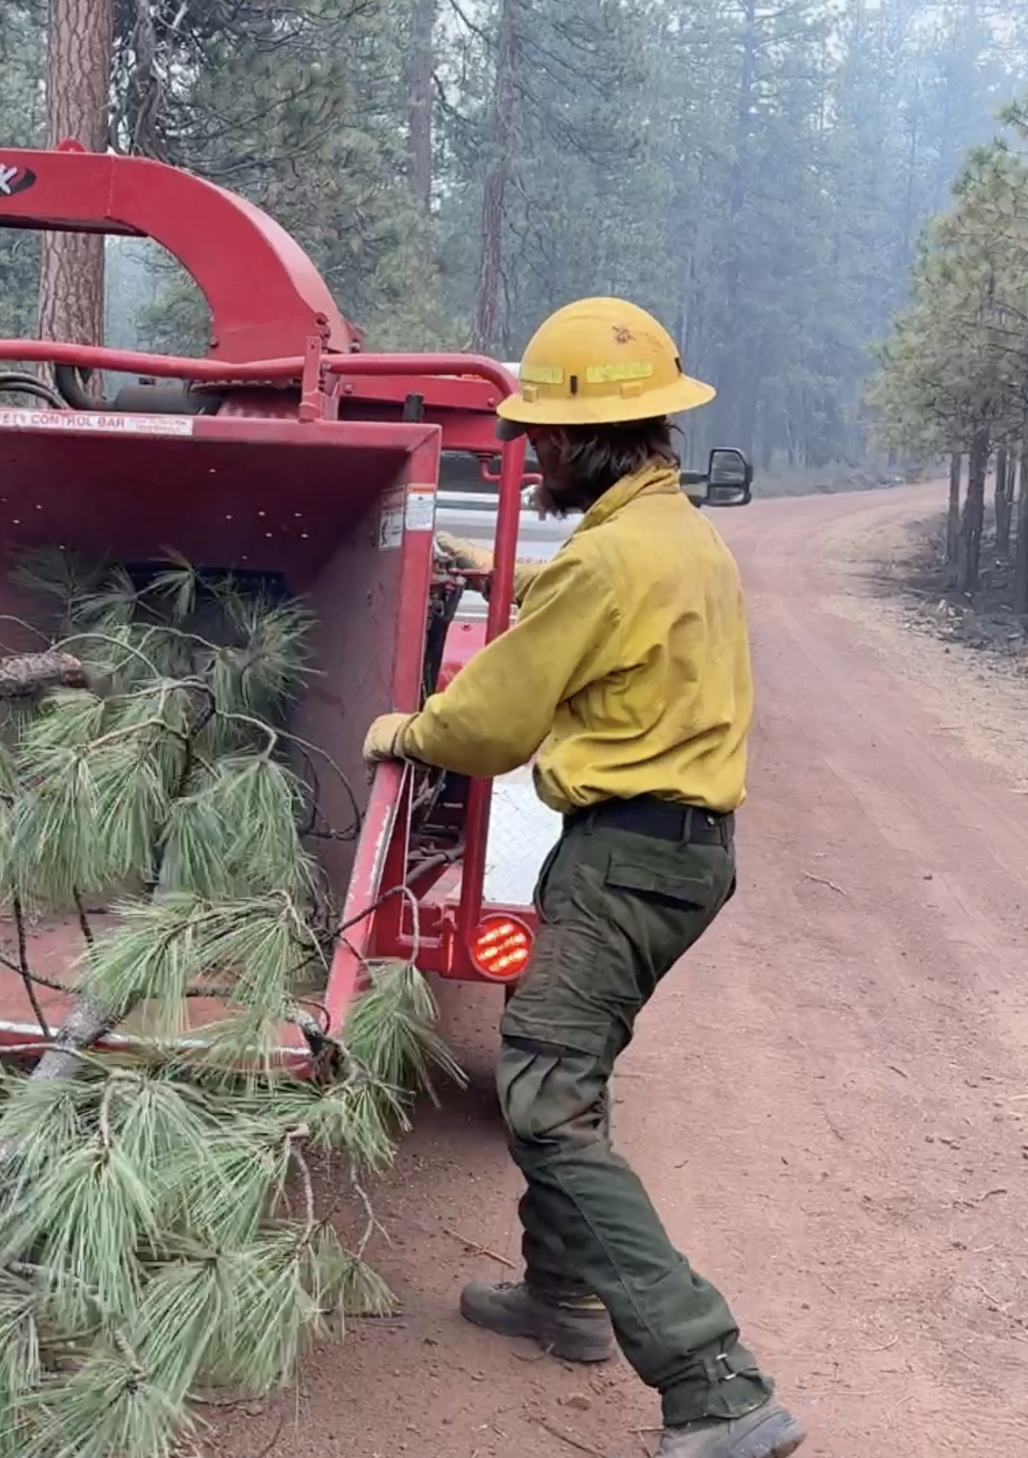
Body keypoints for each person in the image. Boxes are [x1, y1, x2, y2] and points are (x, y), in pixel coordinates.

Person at [364, 297, 804, 1458]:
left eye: (535, 438)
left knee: (545, 1099)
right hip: (671, 857)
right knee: (567, 1067)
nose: (527, 455)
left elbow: (489, 726)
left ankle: (718, 1388)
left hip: (628, 857)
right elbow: (591, 637)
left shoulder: (604, 560)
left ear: (573, 440)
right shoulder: (673, 536)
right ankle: (558, 1297)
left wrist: (401, 732)